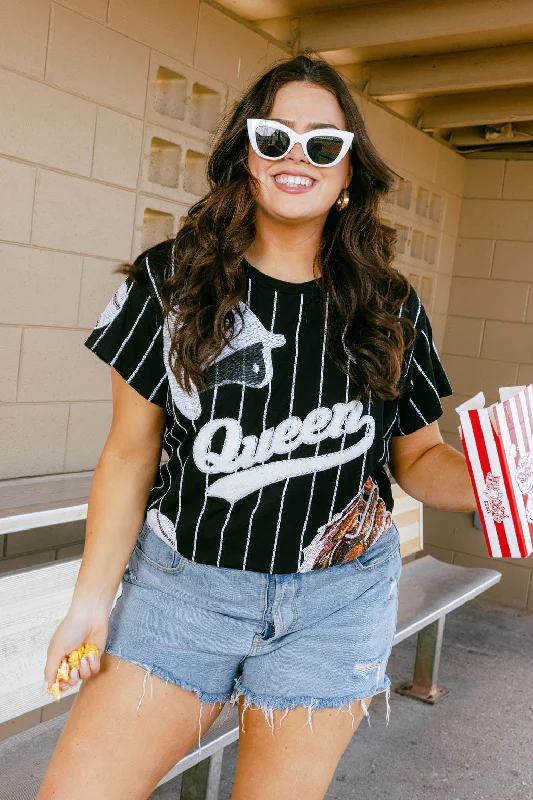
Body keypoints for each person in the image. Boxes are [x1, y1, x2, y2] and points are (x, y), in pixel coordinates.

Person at [38, 54, 477, 800]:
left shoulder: (389, 306)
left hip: (335, 604)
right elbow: (128, 455)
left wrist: (496, 486)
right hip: (183, 596)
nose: (296, 156)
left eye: (323, 144)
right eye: (274, 137)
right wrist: (87, 603)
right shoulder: (168, 284)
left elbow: (418, 459)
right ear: (246, 155)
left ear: (347, 176)